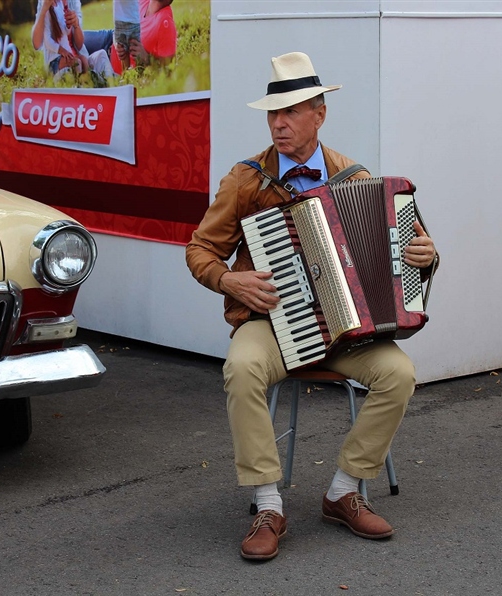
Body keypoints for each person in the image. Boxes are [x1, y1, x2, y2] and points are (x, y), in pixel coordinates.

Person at [185, 52, 438, 561]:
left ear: (319, 114)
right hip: (271, 323)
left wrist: (427, 257)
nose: (279, 124)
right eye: (273, 114)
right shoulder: (247, 179)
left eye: (292, 112)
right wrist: (231, 280)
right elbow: (200, 250)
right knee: (241, 368)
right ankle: (268, 503)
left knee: (399, 373)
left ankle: (344, 490)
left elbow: (406, 257)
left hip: (345, 332)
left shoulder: (358, 178)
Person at [32, 0, 113, 84]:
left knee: (94, 56)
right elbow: (39, 43)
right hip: (58, 60)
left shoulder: (65, 4)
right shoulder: (46, 4)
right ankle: (85, 83)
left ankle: (103, 83)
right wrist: (43, 9)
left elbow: (78, 44)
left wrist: (74, 25)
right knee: (77, 63)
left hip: (74, 54)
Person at [83, 0, 176, 73]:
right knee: (72, 41)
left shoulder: (165, 22)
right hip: (109, 39)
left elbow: (168, 69)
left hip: (115, 63)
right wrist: (116, 39)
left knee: (77, 63)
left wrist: (147, 59)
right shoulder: (144, 1)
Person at [113, 0, 142, 72]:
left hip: (135, 19)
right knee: (122, 51)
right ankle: (127, 78)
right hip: (120, 19)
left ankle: (141, 77)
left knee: (137, 54)